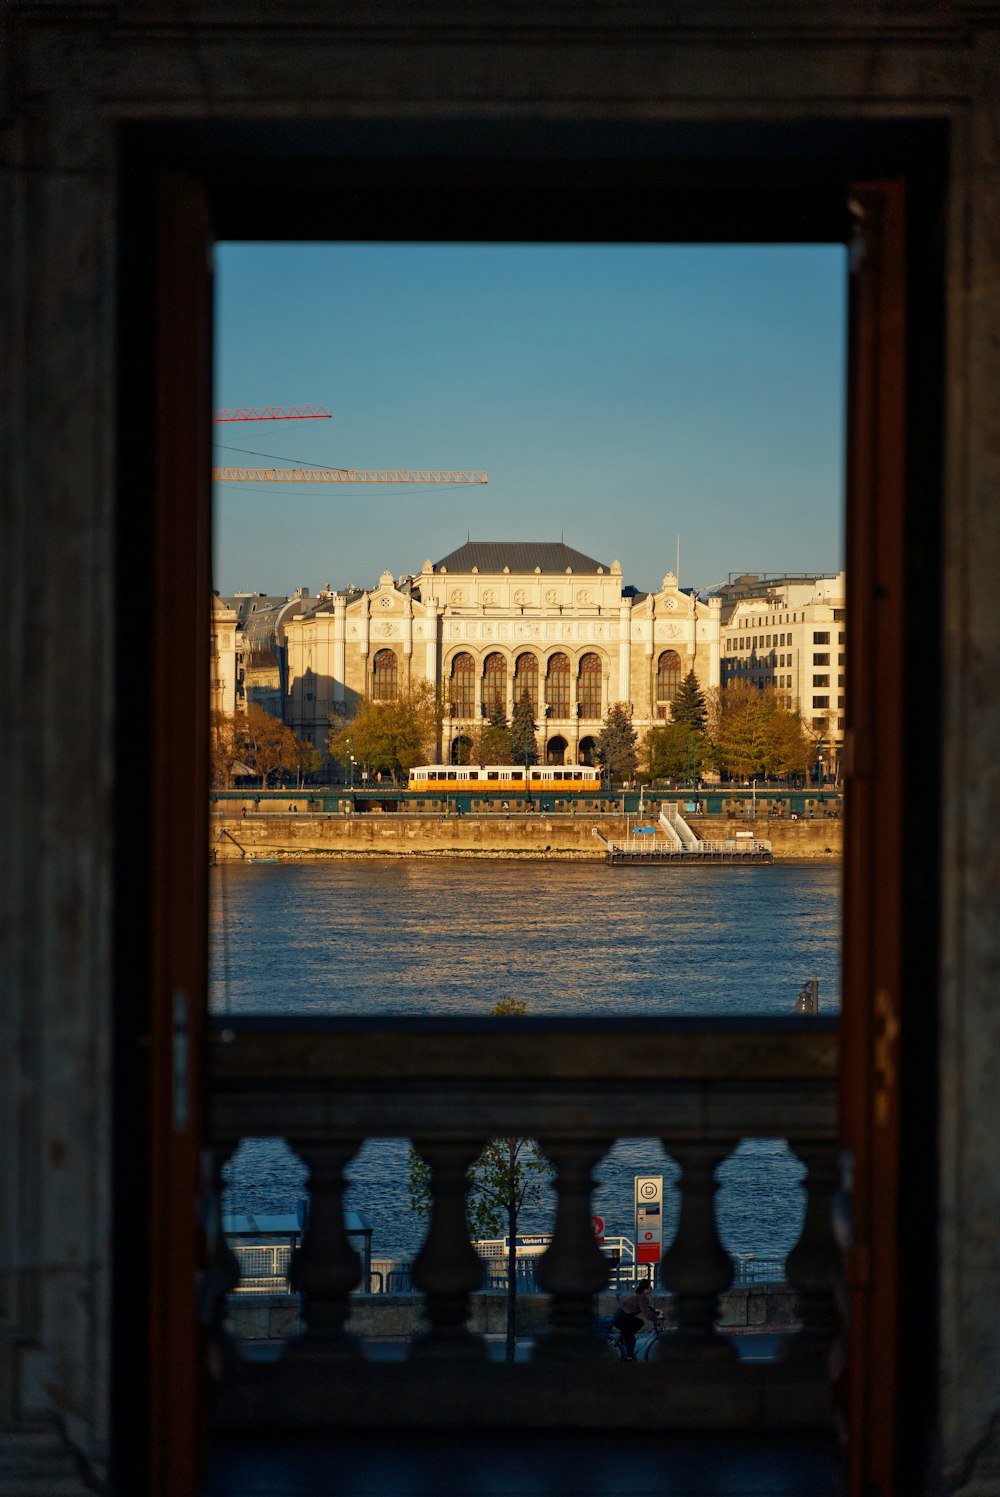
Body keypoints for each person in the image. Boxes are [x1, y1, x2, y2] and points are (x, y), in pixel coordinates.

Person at [612, 1277, 661, 1360]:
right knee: (631, 1339)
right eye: (650, 1287)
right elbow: (646, 1313)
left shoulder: (641, 1295)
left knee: (639, 1323)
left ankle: (623, 1338)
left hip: (624, 1316)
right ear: (645, 1288)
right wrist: (656, 1317)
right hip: (622, 1318)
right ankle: (629, 1357)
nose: (651, 1289)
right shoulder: (642, 1297)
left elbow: (646, 1307)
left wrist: (656, 1311)